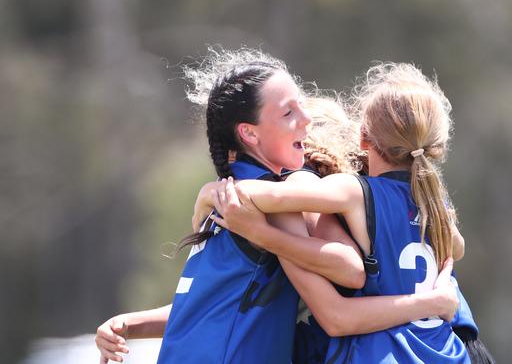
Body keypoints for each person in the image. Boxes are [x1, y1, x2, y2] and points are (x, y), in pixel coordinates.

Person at [95, 48, 460, 364]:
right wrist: (133, 324)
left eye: (302, 107)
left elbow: (345, 269)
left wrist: (133, 324)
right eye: (289, 113)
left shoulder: (243, 196)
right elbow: (217, 306)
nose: (305, 120)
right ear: (249, 133)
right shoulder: (262, 193)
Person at [200, 62, 474, 363]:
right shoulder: (434, 199)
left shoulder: (355, 191)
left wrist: (211, 194)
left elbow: (271, 194)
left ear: (364, 138)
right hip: (447, 351)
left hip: (390, 353)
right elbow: (456, 249)